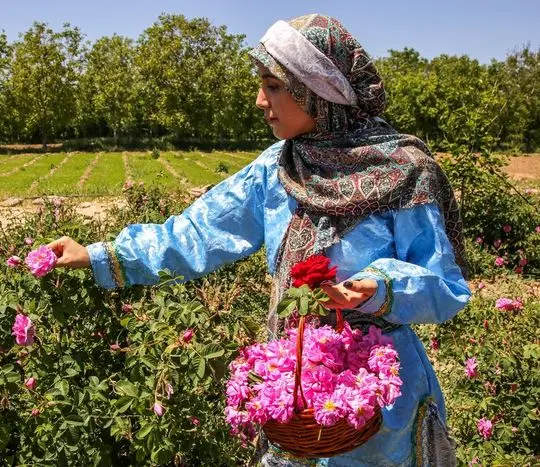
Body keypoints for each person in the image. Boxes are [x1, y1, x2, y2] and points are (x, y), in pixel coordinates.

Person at [46, 13, 470, 466]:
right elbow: (197, 233)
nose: (258, 100)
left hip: (378, 401)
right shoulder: (279, 167)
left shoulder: (405, 172)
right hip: (295, 390)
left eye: (272, 85)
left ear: (317, 90)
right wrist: (99, 254)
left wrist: (377, 288)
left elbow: (445, 285)